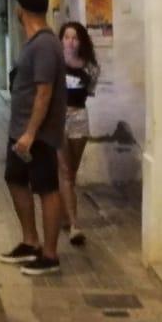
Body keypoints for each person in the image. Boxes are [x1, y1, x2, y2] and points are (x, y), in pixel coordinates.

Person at [0, 0, 69, 276]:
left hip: (37, 135)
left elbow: (44, 92)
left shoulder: (45, 45)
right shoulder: (34, 43)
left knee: (47, 189)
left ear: (21, 10)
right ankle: (30, 242)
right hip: (21, 131)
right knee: (15, 180)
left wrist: (30, 133)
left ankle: (50, 255)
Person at [57, 21, 101, 247]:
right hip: (59, 119)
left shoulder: (90, 67)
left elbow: (90, 91)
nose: (70, 42)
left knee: (71, 172)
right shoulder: (55, 64)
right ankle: (74, 225)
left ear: (81, 41)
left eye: (75, 38)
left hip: (79, 118)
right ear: (61, 40)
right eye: (66, 37)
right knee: (65, 171)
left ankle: (64, 213)